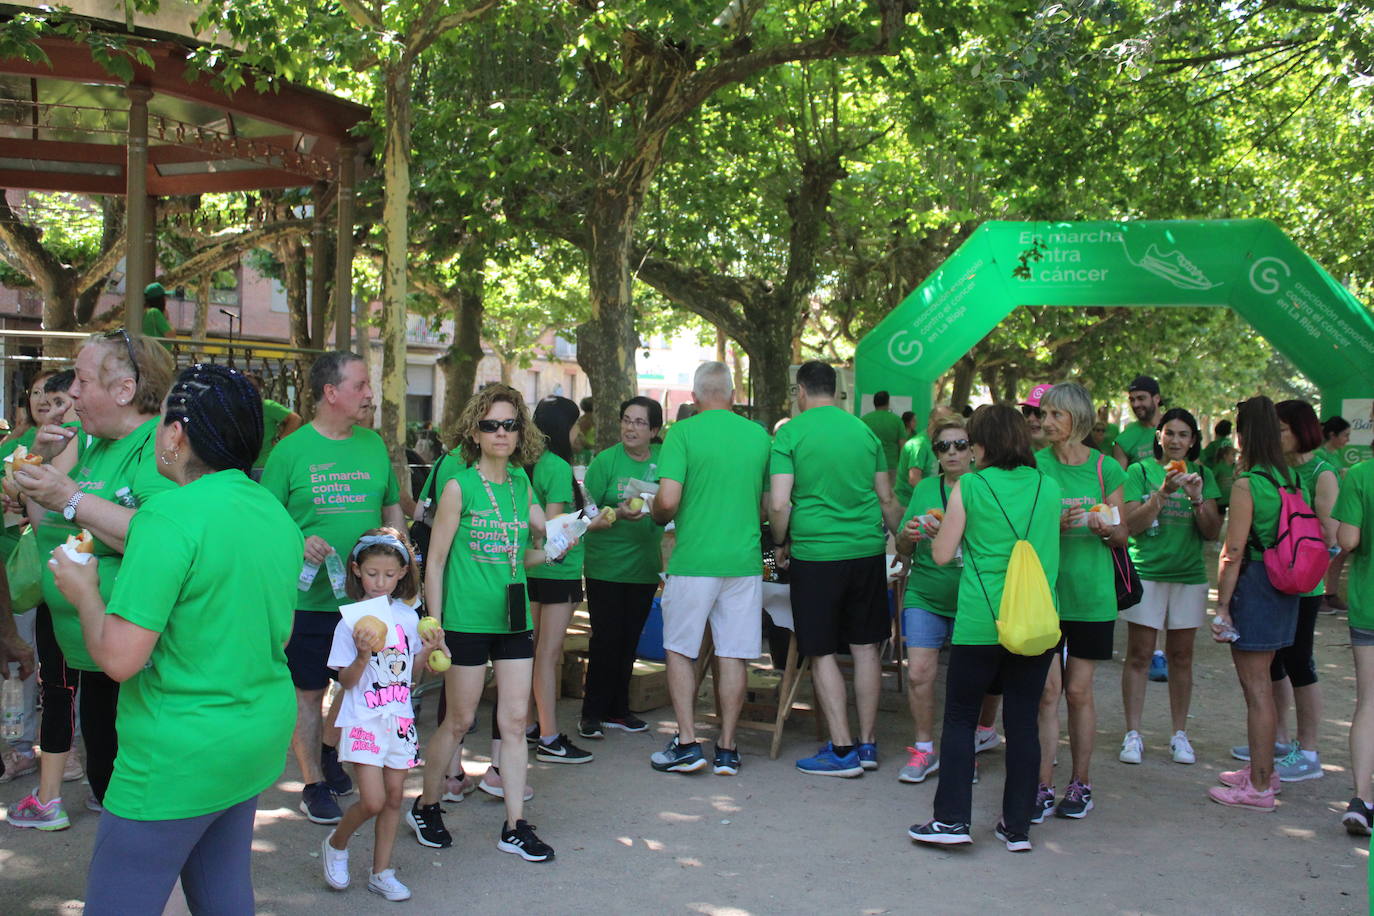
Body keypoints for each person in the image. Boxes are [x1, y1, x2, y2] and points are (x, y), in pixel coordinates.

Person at [47, 363, 300, 914]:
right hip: (253, 737)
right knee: (223, 887)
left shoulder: (168, 517)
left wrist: (84, 590)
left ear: (178, 433)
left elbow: (118, 658)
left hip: (177, 754)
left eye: (162, 422)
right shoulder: (274, 514)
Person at [7, 330, 175, 828]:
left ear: (124, 390)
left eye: (80, 380)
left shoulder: (157, 449)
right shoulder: (93, 445)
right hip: (94, 659)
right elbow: (47, 527)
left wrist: (72, 498)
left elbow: (162, 542)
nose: (71, 393)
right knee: (109, 786)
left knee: (142, 806)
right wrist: (35, 466)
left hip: (139, 662)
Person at [407, 384, 555, 861]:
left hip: (512, 618)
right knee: (460, 721)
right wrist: (435, 622)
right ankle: (426, 805)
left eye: (510, 424)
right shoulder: (459, 486)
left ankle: (515, 824)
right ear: (475, 430)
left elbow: (520, 558)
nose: (501, 433)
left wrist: (551, 548)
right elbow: (435, 560)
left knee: (514, 722)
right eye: (491, 424)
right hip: (466, 620)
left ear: (521, 431)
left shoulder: (520, 484)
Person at [907, 404, 1062, 851]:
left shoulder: (971, 486)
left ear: (981, 445)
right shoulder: (1047, 487)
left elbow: (940, 555)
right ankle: (1017, 828)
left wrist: (939, 529)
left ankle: (952, 821)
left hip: (980, 621)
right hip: (1035, 622)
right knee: (1023, 722)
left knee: (959, 718)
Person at [261, 351, 404, 825]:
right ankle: (312, 782)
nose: (369, 394)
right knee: (307, 692)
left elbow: (391, 511)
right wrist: (297, 542)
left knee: (356, 683)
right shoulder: (289, 452)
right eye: (361, 385)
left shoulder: (373, 446)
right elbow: (264, 522)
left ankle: (328, 749)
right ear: (331, 393)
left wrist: (401, 556)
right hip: (305, 603)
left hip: (364, 601)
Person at [770, 361, 903, 777]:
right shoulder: (865, 432)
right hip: (866, 551)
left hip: (815, 554)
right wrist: (909, 546)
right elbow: (887, 500)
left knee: (821, 649)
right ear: (837, 390)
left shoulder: (790, 433)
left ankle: (841, 749)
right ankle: (867, 745)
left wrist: (778, 544)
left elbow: (779, 503)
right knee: (866, 649)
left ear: (801, 392)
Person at [648, 361, 770, 776]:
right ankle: (728, 748)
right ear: (733, 396)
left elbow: (667, 499)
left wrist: (653, 511)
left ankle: (686, 742)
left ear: (695, 398)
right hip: (744, 559)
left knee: (680, 649)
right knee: (733, 653)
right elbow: (767, 505)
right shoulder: (758, 436)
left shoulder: (682, 433)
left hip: (695, 559)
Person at [322, 528, 442, 902]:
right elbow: (346, 679)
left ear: (403, 573)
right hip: (363, 719)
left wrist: (429, 654)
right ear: (357, 571)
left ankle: (381, 871)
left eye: (389, 575)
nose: (380, 582)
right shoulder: (351, 621)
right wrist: (361, 654)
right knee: (372, 800)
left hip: (400, 717)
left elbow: (410, 671)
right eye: (373, 573)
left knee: (394, 797)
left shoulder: (408, 617)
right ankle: (337, 842)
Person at [1034, 382, 1128, 821]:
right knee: (1047, 692)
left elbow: (1122, 532)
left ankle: (1081, 782)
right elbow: (1023, 534)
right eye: (1044, 414)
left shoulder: (1107, 468)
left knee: (1077, 691)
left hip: (1092, 596)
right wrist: (1051, 524)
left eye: (1056, 415)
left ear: (1078, 419)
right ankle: (1042, 785)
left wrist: (1103, 527)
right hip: (1046, 596)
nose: (1046, 422)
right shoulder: (1035, 466)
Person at [1208, 396, 1303, 811]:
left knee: (1256, 689)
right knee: (1264, 683)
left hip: (1256, 585)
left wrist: (1222, 606)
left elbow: (1232, 550)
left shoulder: (1248, 484)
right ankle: (1264, 770)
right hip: (1285, 587)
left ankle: (1260, 786)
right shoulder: (1289, 478)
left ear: (1244, 435)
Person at [1119, 408, 1222, 766]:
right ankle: (1133, 734)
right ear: (1159, 437)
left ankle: (1180, 734)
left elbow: (1211, 531)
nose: (1176, 441)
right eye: (1170, 433)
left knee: (1181, 657)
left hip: (1189, 576)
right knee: (1140, 655)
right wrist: (1161, 493)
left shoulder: (1204, 475)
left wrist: (1196, 497)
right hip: (1146, 572)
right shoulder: (1139, 471)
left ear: (1193, 441)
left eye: (1183, 435)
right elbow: (1130, 526)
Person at [1243, 399, 1335, 782]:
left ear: (1301, 430)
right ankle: (1277, 740)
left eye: (1282, 429)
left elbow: (1330, 535)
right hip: (1274, 578)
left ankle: (1309, 749)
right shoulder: (1274, 471)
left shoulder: (1321, 472)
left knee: (1300, 660)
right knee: (1275, 662)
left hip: (1305, 583)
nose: (1275, 436)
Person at [579, 396, 664, 739]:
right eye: (626, 420)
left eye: (640, 422)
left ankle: (619, 709)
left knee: (630, 640)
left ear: (655, 430)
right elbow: (585, 511)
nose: (631, 427)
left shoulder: (665, 460)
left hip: (644, 567)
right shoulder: (605, 461)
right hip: (605, 567)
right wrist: (615, 513)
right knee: (605, 640)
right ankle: (591, 713)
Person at [894, 415, 974, 783]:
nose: (952, 452)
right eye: (944, 446)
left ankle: (962, 752)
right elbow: (902, 545)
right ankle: (923, 750)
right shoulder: (926, 489)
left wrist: (955, 533)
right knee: (920, 675)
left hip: (971, 596)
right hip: (925, 591)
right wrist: (910, 534)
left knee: (967, 681)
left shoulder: (983, 486)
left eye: (960, 445)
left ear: (973, 450)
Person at [524, 395, 596, 765]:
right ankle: (550, 737)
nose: (580, 431)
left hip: (532, 570)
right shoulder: (555, 467)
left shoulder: (528, 464)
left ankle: (531, 725)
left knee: (533, 652)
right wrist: (587, 521)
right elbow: (551, 530)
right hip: (557, 571)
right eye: (575, 424)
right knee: (547, 656)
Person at [1334, 421, 1374, 833]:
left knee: (1369, 703)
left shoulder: (1360, 474)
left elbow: (1347, 540)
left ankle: (1362, 798)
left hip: (1369, 604)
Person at [1320, 415, 1352, 612]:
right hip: (1325, 514)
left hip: (1340, 511)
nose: (1347, 440)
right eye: (1345, 435)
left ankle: (1330, 593)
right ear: (1332, 435)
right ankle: (1318, 595)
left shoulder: (1335, 455)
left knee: (1341, 553)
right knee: (1325, 554)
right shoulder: (1319, 455)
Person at [245, 372, 303, 477]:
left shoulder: (267, 406)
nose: (249, 389)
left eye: (253, 386)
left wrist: (279, 440)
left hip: (264, 466)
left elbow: (295, 419)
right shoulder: (234, 407)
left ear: (259, 389)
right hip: (242, 467)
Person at [1112, 375, 1163, 468]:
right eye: (1132, 400)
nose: (1135, 404)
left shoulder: (1178, 427)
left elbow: (1196, 466)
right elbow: (1118, 481)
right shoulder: (1123, 440)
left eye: (1141, 398)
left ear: (1157, 398)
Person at [860, 390, 905, 483]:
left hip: (871, 465)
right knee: (890, 494)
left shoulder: (864, 420)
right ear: (888, 403)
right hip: (891, 466)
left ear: (874, 403)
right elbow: (903, 446)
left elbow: (860, 445)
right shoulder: (896, 420)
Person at [140, 282, 176, 347]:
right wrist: (167, 319)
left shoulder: (146, 312)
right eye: (164, 297)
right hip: (158, 355)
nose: (166, 300)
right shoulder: (155, 312)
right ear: (160, 300)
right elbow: (171, 336)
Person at [1021, 383, 1050, 450]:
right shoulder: (1017, 454)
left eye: (1038, 412)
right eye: (1027, 410)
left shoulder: (1075, 457)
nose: (1030, 418)